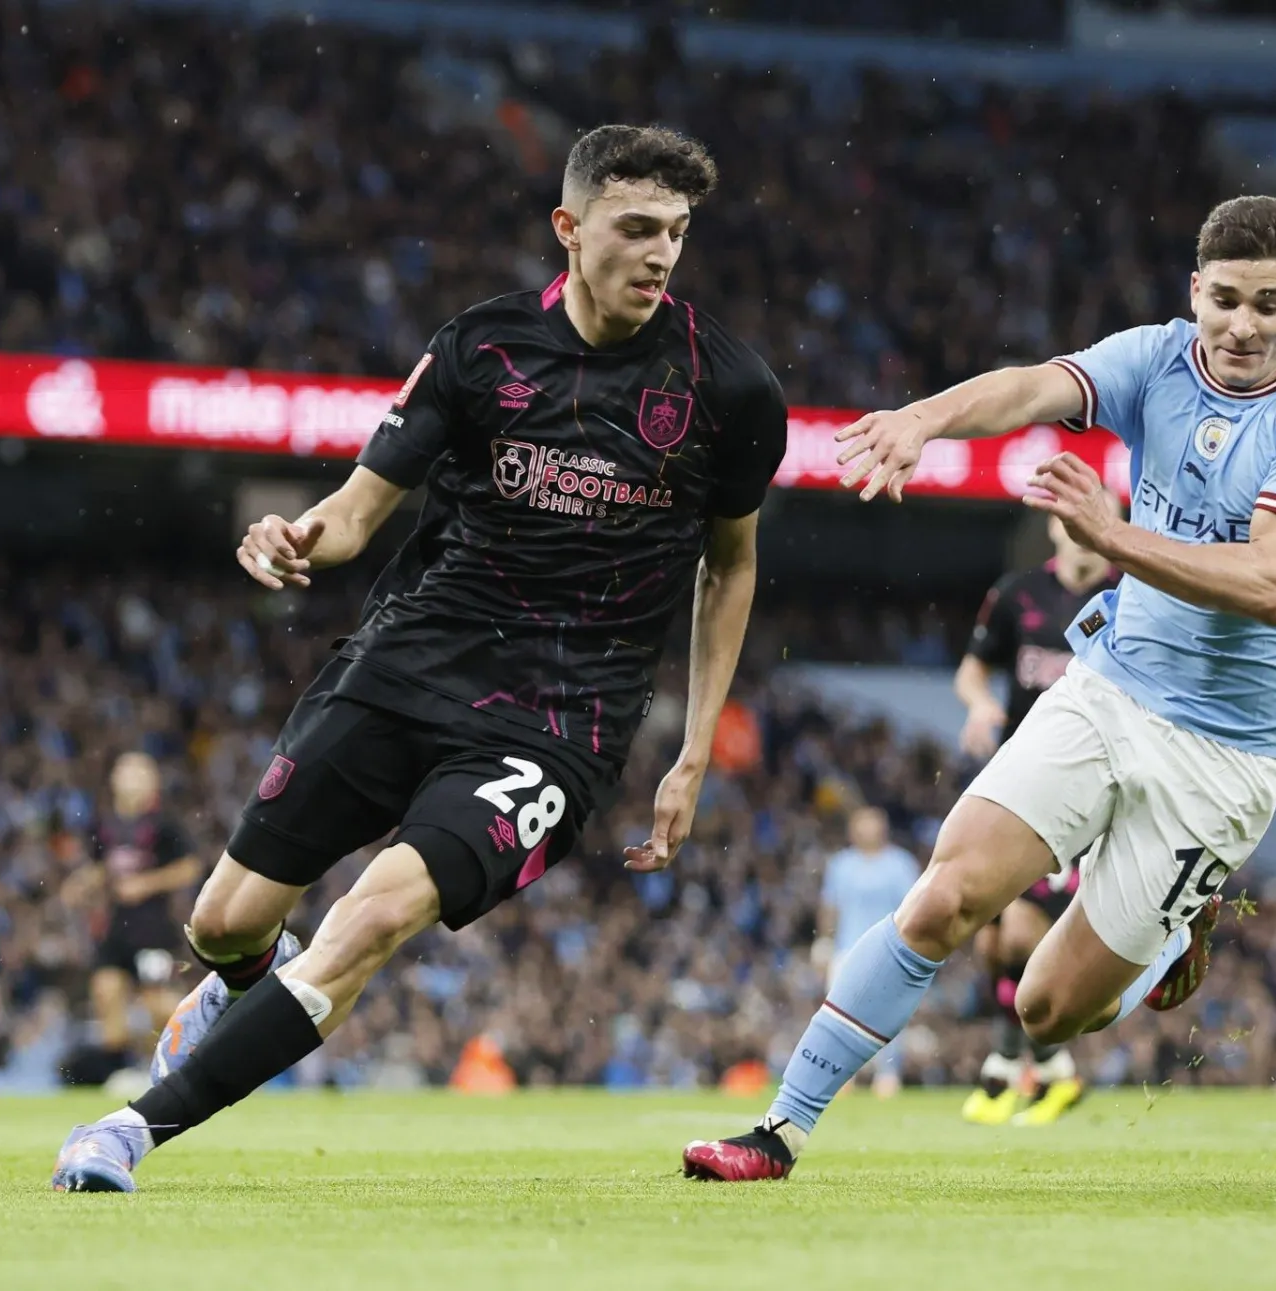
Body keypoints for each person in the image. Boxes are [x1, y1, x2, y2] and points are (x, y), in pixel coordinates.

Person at [53, 123, 788, 1191]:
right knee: (222, 922)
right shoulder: (479, 348)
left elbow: (732, 567)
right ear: (569, 229)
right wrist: (299, 535)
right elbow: (356, 512)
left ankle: (128, 1130)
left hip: (561, 720)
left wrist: (692, 756)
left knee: (372, 918)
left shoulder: (730, 388)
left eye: (676, 233)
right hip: (412, 662)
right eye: (636, 228)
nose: (661, 254)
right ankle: (235, 982)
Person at [684, 194, 1276, 1180]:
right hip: (1113, 683)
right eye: (1224, 299)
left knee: (1051, 1009)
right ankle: (779, 1131)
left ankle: (1179, 923)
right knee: (945, 897)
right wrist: (924, 419)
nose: (1242, 326)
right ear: (1195, 291)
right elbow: (1031, 387)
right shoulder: (1159, 357)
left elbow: (1272, 585)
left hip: (1229, 749)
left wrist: (1113, 537)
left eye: (1269, 304)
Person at [955, 517, 1118, 1126]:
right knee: (993, 938)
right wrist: (981, 704)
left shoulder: (1132, 597)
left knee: (1022, 932)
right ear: (1054, 527)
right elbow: (971, 669)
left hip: (1085, 791)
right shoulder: (1017, 594)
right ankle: (1046, 1070)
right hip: (1018, 780)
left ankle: (1009, 1068)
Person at [80, 753, 202, 1081]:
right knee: (106, 994)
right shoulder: (102, 824)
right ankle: (120, 1071)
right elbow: (99, 868)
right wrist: (81, 885)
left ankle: (191, 1055)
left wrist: (145, 885)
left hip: (152, 930)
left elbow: (190, 868)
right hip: (115, 928)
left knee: (159, 1003)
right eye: (125, 769)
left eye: (138, 770)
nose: (130, 776)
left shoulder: (164, 823)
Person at [816, 806, 921, 1099]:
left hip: (889, 949)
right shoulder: (842, 864)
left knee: (887, 1014)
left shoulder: (900, 864)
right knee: (840, 1013)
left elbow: (913, 907)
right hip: (847, 948)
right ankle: (841, 1075)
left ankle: (888, 1074)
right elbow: (830, 907)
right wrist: (823, 943)